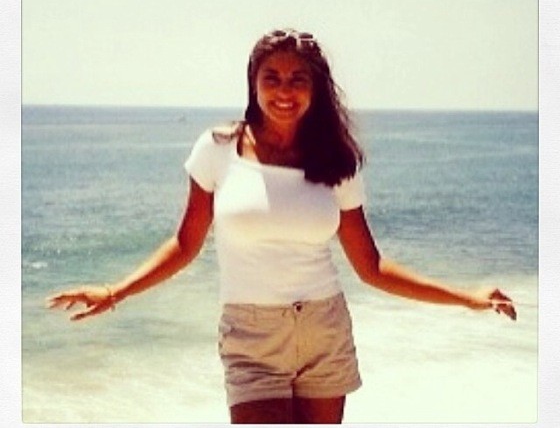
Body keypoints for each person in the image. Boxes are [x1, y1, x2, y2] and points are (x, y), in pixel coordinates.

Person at [47, 28, 517, 424]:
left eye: (298, 79)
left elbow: (371, 267)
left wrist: (467, 298)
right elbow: (185, 244)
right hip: (251, 335)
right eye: (271, 78)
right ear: (253, 83)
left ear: (316, 88)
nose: (284, 91)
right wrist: (115, 291)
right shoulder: (218, 148)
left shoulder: (337, 161)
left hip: (323, 328)